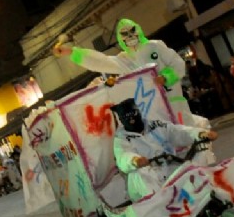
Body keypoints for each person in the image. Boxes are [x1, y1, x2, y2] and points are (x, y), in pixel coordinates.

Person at [53, 18, 203, 128]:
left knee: (191, 140)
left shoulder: (155, 46)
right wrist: (72, 52)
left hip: (175, 104)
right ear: (120, 39)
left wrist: (166, 77)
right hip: (153, 114)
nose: (130, 36)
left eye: (132, 31)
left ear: (138, 30)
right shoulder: (124, 60)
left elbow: (177, 64)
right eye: (124, 34)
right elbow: (101, 61)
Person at [109, 98, 218, 202]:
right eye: (125, 117)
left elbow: (177, 131)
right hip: (147, 181)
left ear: (139, 112)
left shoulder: (156, 125)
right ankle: (162, 207)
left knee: (195, 158)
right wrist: (134, 160)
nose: (131, 119)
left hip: (170, 168)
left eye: (133, 114)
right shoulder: (121, 138)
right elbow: (123, 156)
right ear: (121, 120)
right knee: (141, 174)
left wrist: (200, 134)